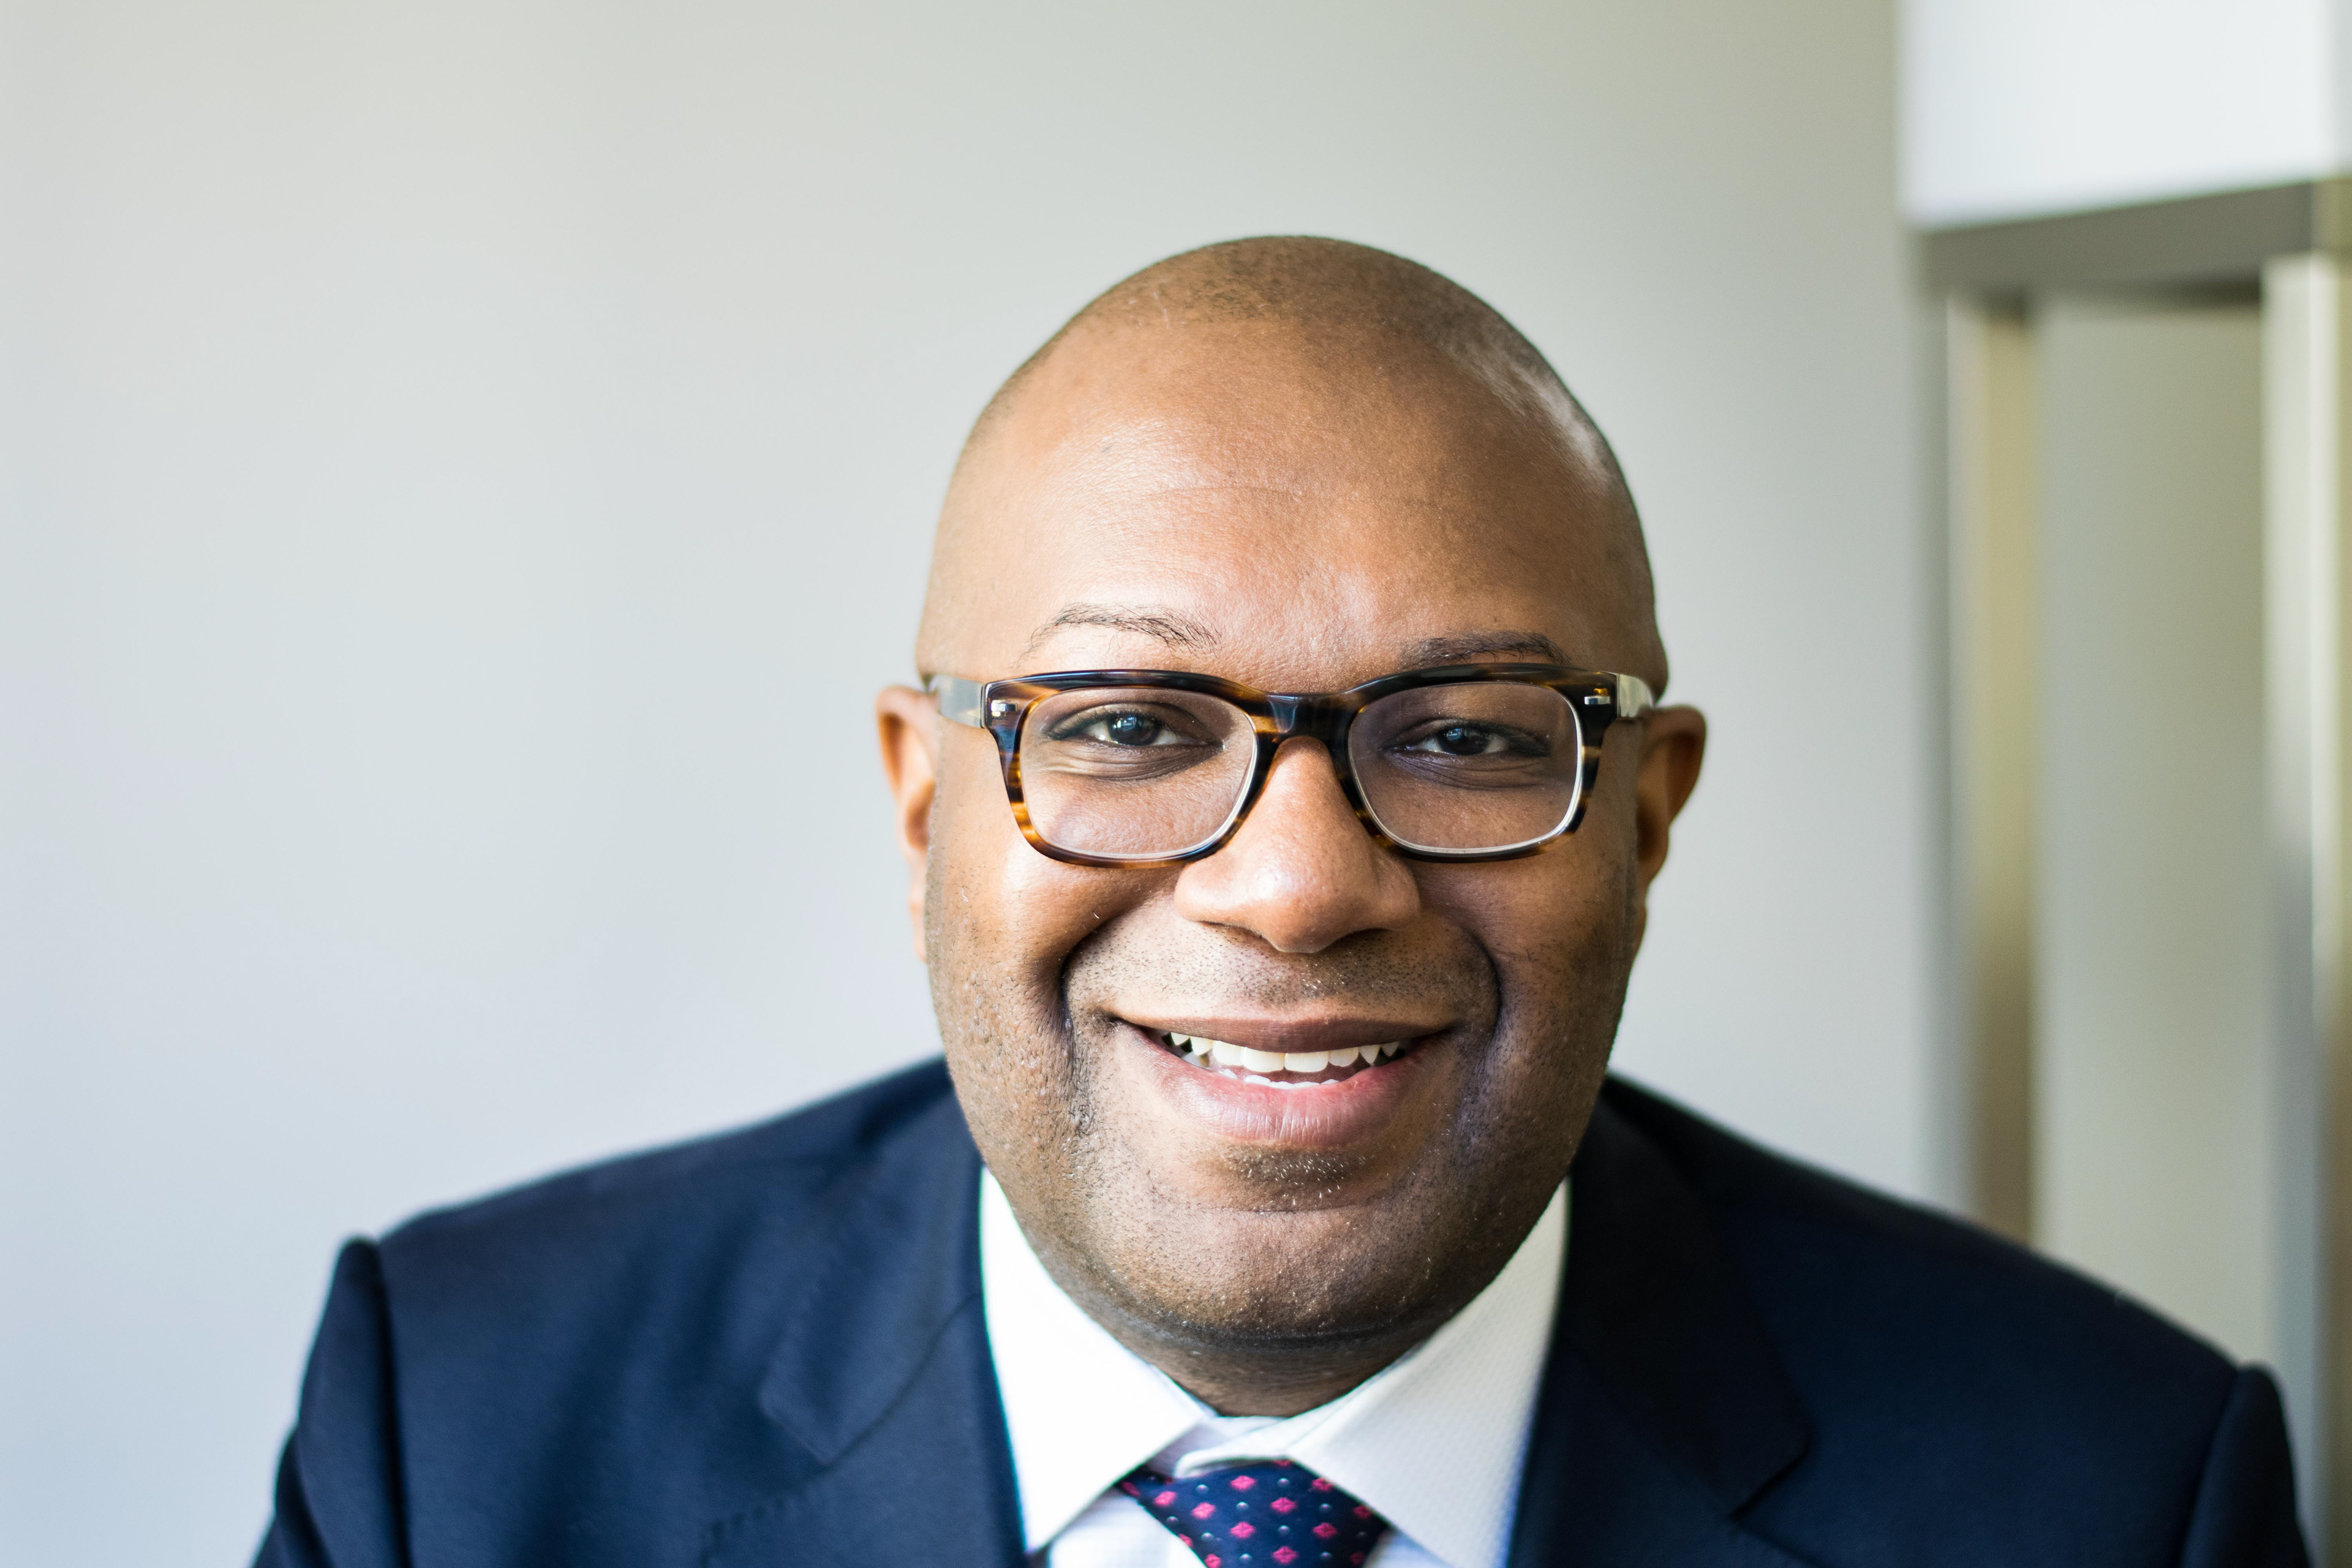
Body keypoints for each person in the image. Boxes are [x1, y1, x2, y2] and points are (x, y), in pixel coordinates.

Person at [254, 238, 2307, 1568]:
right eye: (1127, 724)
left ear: (1646, 817)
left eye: (1472, 734)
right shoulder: (460, 1430)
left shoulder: (2109, 1494)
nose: (1301, 885)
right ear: (924, 800)